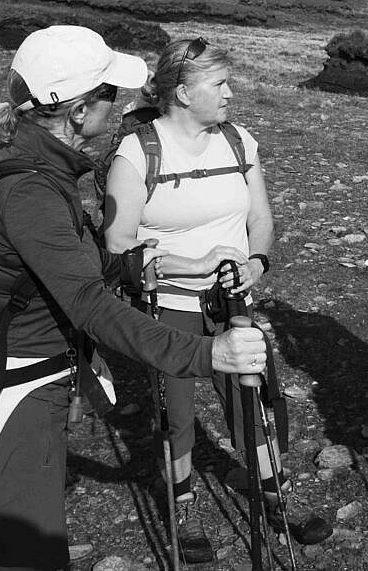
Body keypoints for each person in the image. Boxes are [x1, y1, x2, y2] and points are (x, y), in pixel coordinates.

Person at [0, 25, 268, 571]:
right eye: (110, 93)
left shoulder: (40, 170)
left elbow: (81, 263)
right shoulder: (31, 191)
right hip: (9, 398)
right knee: (23, 556)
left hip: (15, 383)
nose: (120, 103)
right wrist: (208, 355)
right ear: (79, 110)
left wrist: (153, 264)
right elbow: (89, 303)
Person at [103, 37, 330, 563]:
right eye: (220, 84)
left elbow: (260, 218)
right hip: (171, 303)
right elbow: (117, 246)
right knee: (176, 413)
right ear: (182, 93)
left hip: (234, 300)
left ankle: (275, 495)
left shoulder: (238, 142)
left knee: (253, 401)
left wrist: (256, 262)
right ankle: (182, 503)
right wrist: (191, 265)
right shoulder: (138, 151)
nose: (231, 93)